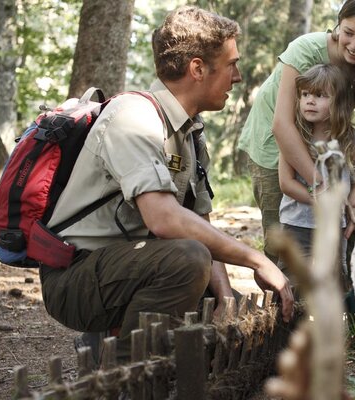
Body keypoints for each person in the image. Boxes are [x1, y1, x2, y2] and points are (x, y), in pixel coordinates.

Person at [40, 6, 293, 363]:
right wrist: (255, 260)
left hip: (130, 267)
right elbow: (164, 219)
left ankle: (111, 346)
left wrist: (224, 296)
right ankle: (124, 373)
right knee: (187, 260)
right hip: (76, 277)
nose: (238, 76)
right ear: (197, 68)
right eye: (231, 64)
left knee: (227, 305)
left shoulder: (189, 132)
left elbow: (198, 222)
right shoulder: (133, 117)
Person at [238, 0, 355, 264]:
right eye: (348, 33)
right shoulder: (306, 50)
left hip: (329, 143)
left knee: (352, 233)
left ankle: (351, 295)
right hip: (275, 143)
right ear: (338, 25)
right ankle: (289, 300)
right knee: (285, 240)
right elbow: (282, 125)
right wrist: (322, 185)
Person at [278, 64, 355, 285]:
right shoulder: (295, 136)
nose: (310, 100)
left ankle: (329, 320)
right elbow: (286, 183)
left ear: (338, 102)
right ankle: (291, 320)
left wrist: (352, 202)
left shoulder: (348, 138)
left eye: (320, 95)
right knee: (293, 282)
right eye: (305, 94)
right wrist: (317, 197)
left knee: (333, 282)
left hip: (333, 226)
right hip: (297, 224)